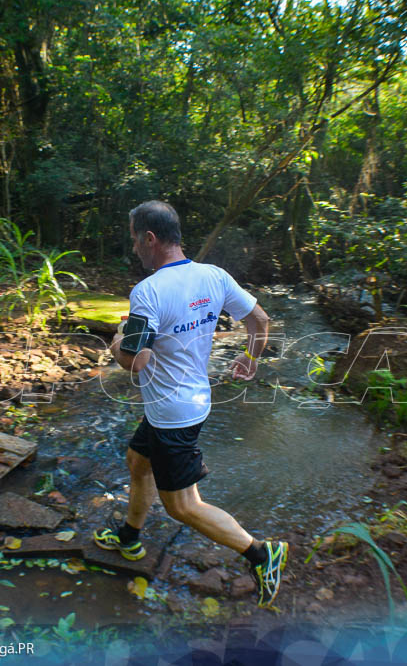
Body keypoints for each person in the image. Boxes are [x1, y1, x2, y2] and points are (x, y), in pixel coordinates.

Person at [93, 200, 289, 609]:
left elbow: (136, 361)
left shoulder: (148, 291)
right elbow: (260, 321)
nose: (133, 249)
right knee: (137, 461)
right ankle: (129, 537)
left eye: (134, 239)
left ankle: (260, 553)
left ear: (149, 239)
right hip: (189, 403)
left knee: (183, 506)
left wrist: (114, 341)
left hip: (171, 415)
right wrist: (250, 359)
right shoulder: (213, 276)